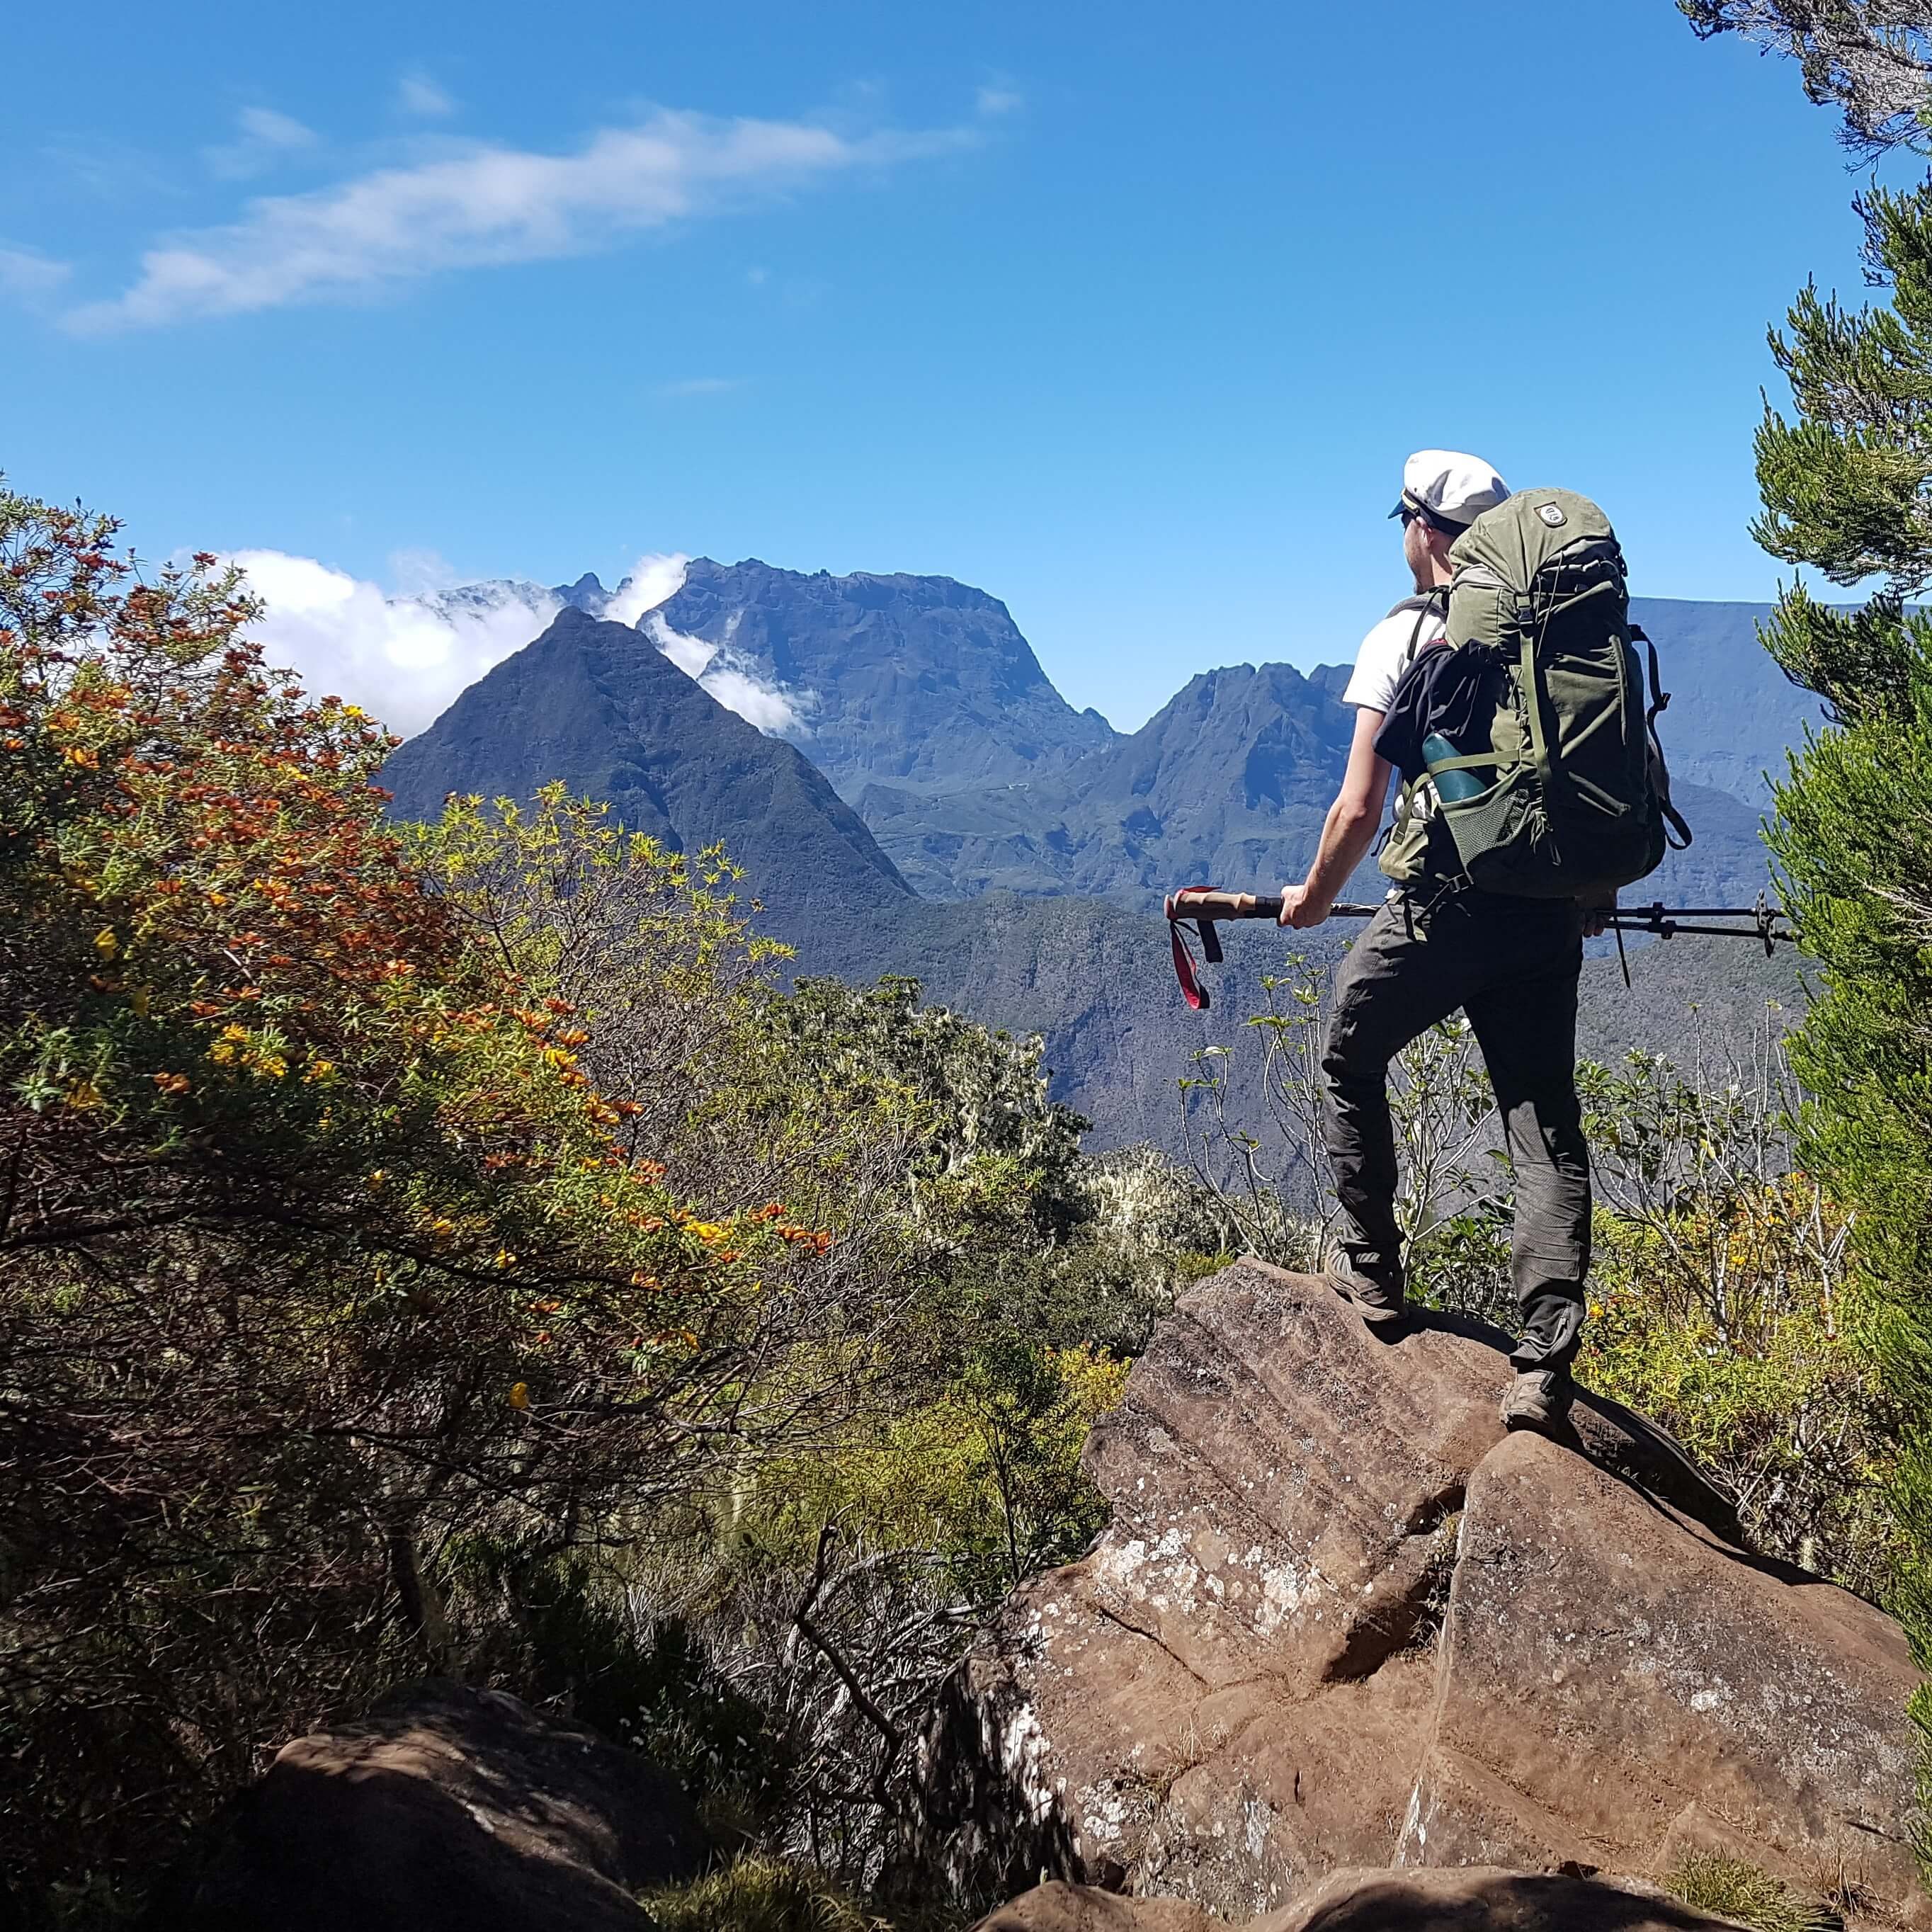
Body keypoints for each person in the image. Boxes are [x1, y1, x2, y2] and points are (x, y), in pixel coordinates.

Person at [1277, 450, 1605, 1433]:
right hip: (1546, 912)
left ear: (1421, 528)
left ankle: (1372, 1274)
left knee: (1347, 1049)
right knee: (1543, 1124)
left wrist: (1309, 900)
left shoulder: (1409, 634)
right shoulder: (1564, 635)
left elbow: (1359, 806)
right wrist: (1587, 885)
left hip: (1441, 910)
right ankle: (1542, 1366)